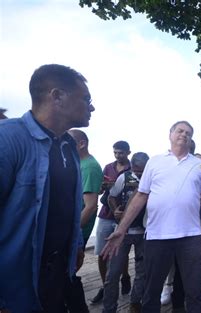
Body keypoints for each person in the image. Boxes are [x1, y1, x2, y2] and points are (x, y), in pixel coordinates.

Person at [101, 121, 201, 313]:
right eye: (180, 131)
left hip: (191, 237)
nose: (184, 134)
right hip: (157, 237)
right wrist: (121, 229)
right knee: (151, 291)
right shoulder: (155, 162)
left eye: (188, 133)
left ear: (191, 139)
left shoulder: (200, 166)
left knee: (194, 292)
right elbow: (141, 196)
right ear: (170, 134)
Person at [0, 64, 94, 312]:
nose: (91, 106)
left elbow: (67, 206)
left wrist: (76, 246)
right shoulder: (7, 139)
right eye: (86, 98)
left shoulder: (68, 146)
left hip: (58, 277)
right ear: (57, 96)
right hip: (16, 289)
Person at [103, 152, 149, 313]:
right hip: (122, 233)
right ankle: (109, 308)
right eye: (137, 171)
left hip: (144, 233)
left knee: (142, 272)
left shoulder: (153, 180)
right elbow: (111, 197)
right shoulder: (125, 177)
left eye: (143, 171)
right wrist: (115, 211)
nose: (139, 174)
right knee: (113, 274)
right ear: (133, 167)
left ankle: (135, 303)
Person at [66, 129, 103, 313]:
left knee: (67, 276)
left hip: (75, 230)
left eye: (68, 140)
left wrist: (72, 232)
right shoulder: (77, 163)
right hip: (70, 228)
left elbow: (90, 206)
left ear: (81, 143)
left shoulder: (89, 166)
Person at [92, 141, 132, 304]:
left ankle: (125, 275)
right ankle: (105, 286)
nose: (117, 155)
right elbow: (100, 189)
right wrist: (104, 186)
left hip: (124, 216)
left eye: (121, 153)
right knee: (102, 253)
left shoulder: (134, 168)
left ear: (128, 153)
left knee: (120, 253)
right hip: (105, 214)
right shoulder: (108, 167)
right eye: (115, 152)